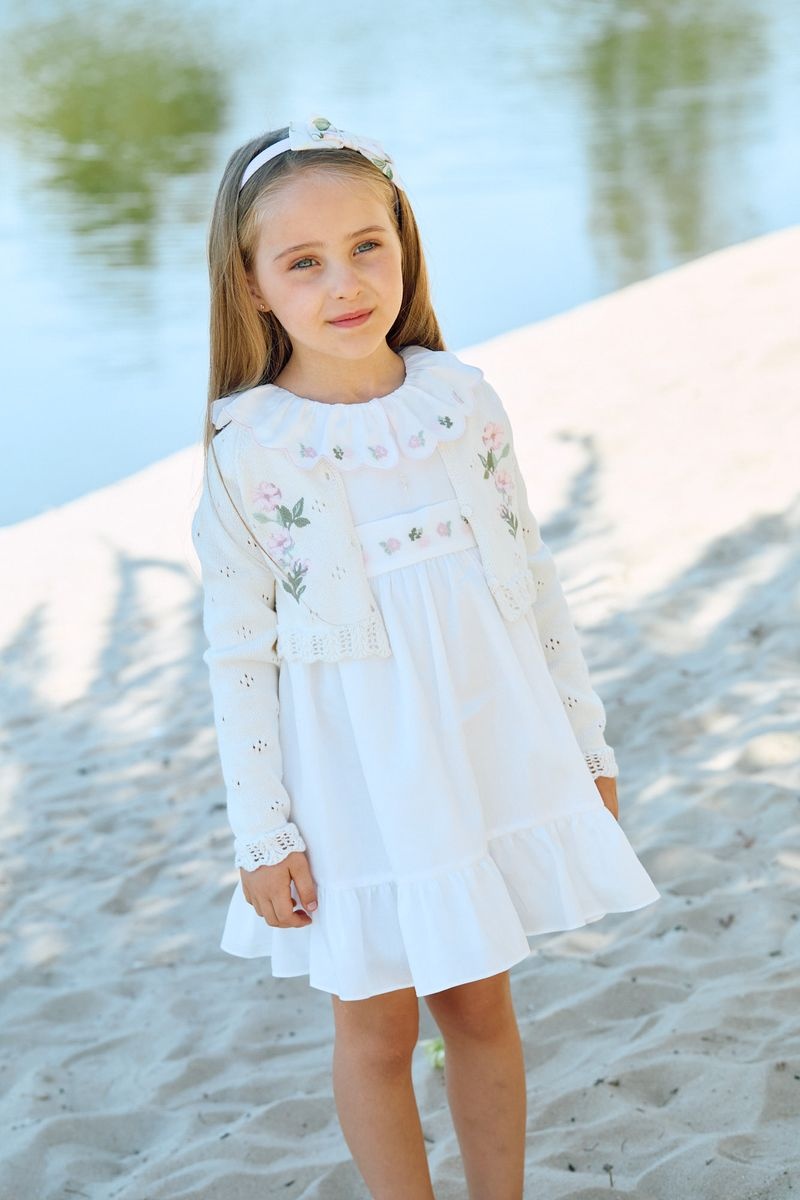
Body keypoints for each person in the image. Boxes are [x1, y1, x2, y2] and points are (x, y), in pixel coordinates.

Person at [190, 115, 661, 1200]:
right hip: (352, 782)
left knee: (480, 1004)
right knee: (376, 1028)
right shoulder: (253, 449)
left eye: (368, 245)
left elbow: (530, 581)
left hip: (480, 746)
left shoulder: (460, 403)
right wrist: (264, 830)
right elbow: (239, 654)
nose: (346, 283)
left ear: (403, 241)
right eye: (304, 263)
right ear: (253, 285)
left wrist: (584, 742)